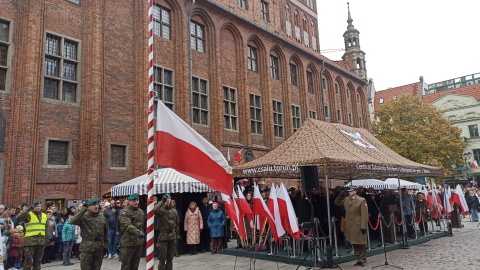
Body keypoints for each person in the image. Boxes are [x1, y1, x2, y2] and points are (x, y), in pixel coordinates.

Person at [70, 198, 109, 270]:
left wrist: (105, 246)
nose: (96, 206)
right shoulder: (84, 217)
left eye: (97, 205)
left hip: (99, 247)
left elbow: (106, 233)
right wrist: (83, 209)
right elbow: (73, 221)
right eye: (94, 205)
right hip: (87, 248)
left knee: (97, 268)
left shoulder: (102, 217)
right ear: (89, 206)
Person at [335, 186, 368, 267]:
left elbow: (365, 214)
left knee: (361, 243)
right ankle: (358, 259)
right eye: (348, 191)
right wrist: (340, 195)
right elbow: (337, 202)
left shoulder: (361, 200)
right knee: (354, 242)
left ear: (355, 191)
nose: (349, 192)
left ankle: (363, 259)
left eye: (351, 191)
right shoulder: (346, 199)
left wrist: (364, 226)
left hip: (358, 224)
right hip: (350, 225)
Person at [16, 201, 48, 270]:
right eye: (36, 206)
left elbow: (46, 229)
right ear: (33, 207)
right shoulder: (29, 214)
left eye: (39, 206)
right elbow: (19, 217)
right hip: (30, 242)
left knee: (38, 262)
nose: (38, 208)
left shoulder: (44, 215)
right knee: (28, 261)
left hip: (41, 241)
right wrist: (29, 208)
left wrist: (46, 240)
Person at [118, 193, 145, 270]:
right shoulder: (125, 212)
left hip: (138, 242)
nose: (136, 202)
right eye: (133, 201)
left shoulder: (140, 212)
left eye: (137, 200)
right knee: (126, 265)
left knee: (135, 265)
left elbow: (142, 225)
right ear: (129, 201)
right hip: (128, 243)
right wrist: (138, 232)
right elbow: (127, 225)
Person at [155, 193, 179, 270]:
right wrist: (163, 202)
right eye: (167, 201)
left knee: (170, 258)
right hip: (163, 237)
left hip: (172, 237)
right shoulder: (161, 211)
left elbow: (177, 224)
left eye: (169, 201)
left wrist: (177, 234)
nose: (168, 203)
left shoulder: (174, 211)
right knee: (162, 258)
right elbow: (155, 210)